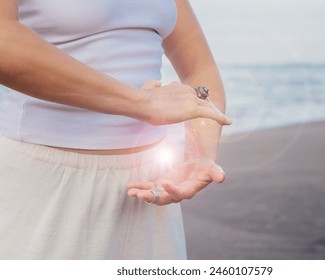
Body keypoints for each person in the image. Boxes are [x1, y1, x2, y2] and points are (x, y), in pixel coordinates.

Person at [0, 0, 231, 259]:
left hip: (149, 187)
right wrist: (144, 104)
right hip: (46, 182)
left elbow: (201, 71)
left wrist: (200, 154)